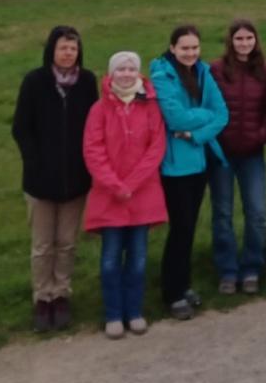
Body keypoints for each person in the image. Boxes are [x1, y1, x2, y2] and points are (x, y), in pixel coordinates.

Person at [11, 25, 99, 332]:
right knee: (42, 244)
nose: (68, 53)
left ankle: (61, 293)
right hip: (40, 180)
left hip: (75, 178)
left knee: (66, 242)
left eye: (73, 48)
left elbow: (94, 127)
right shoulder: (35, 82)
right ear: (52, 50)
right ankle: (42, 297)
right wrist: (34, 162)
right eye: (63, 48)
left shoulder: (87, 82)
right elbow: (21, 128)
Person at [82, 52, 167, 339]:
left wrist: (132, 182)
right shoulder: (99, 109)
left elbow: (156, 147)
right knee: (110, 259)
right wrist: (115, 185)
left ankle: (135, 311)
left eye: (132, 68)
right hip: (110, 196)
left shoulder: (150, 106)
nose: (127, 73)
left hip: (143, 193)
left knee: (139, 258)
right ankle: (113, 314)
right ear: (111, 74)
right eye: (121, 69)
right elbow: (93, 150)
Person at [149, 25, 229, 319]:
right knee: (180, 229)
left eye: (195, 47)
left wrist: (195, 134)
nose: (191, 53)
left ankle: (183, 285)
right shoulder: (161, 75)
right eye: (185, 48)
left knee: (189, 227)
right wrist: (204, 117)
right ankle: (172, 293)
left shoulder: (203, 72)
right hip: (176, 165)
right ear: (172, 48)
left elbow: (221, 114)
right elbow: (175, 117)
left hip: (199, 158)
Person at [208, 20, 266, 295]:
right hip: (222, 153)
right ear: (231, 42)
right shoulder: (216, 70)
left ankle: (251, 267)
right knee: (222, 213)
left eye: (249, 38)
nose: (244, 43)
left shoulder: (265, 71)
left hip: (252, 152)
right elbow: (208, 105)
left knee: (256, 212)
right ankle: (227, 270)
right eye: (239, 39)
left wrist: (262, 134)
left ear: (255, 41)